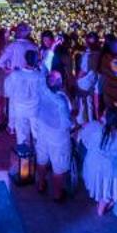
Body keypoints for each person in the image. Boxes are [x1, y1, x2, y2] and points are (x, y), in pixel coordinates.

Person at [33, 68, 75, 200]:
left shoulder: (42, 90)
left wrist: (50, 50)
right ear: (60, 83)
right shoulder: (61, 101)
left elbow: (42, 73)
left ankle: (41, 184)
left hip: (42, 132)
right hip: (58, 139)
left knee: (42, 159)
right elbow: (66, 124)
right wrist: (76, 124)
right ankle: (57, 194)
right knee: (59, 167)